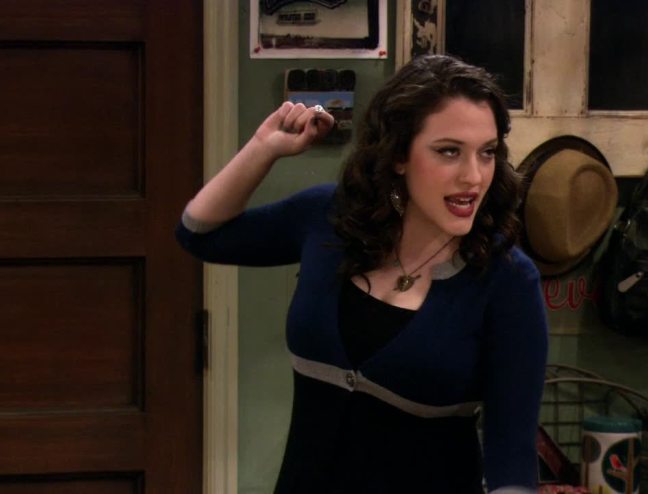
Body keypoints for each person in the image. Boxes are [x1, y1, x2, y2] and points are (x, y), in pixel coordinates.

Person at [176, 54, 549, 494]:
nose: (474, 176)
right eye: (449, 151)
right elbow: (200, 235)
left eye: (487, 153)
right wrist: (264, 147)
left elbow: (512, 462)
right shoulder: (331, 219)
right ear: (399, 155)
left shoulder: (507, 280)